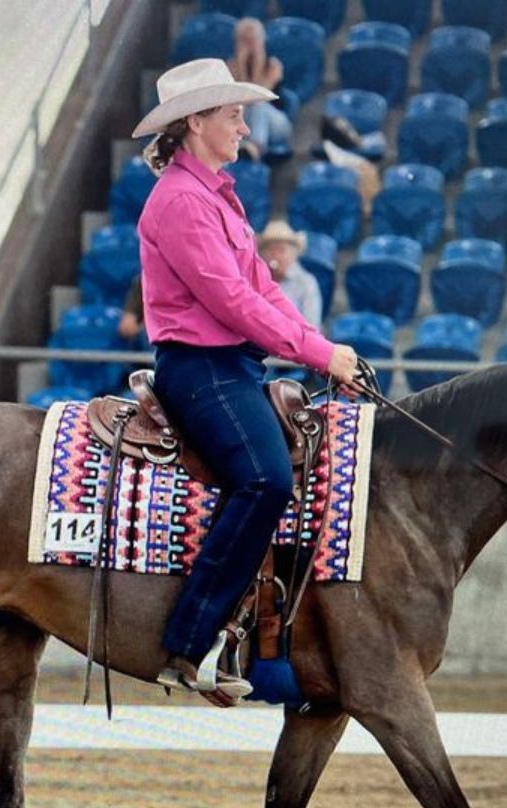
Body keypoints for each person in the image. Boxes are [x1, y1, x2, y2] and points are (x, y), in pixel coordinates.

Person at [131, 57, 359, 701]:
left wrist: (325, 346)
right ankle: (189, 640)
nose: (243, 125)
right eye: (232, 114)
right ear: (195, 122)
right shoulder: (179, 201)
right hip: (200, 366)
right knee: (265, 479)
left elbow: (263, 288)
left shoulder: (217, 196)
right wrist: (317, 356)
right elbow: (231, 301)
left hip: (231, 365)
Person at [227, 17, 292, 161]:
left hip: (275, 123)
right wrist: (242, 64)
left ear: (262, 40)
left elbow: (257, 95)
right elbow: (238, 98)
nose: (249, 45)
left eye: (253, 39)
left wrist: (257, 62)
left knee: (258, 106)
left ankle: (255, 147)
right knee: (237, 108)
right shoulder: (231, 66)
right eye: (244, 40)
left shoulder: (273, 65)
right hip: (245, 120)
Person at [258, 220, 322, 329]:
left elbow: (312, 324)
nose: (276, 256)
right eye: (271, 250)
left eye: (281, 250)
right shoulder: (257, 280)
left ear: (293, 254)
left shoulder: (306, 282)